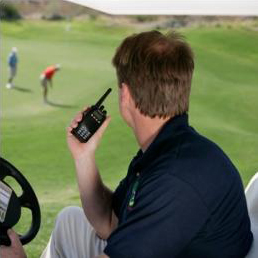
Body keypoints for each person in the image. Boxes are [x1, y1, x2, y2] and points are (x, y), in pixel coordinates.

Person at [0, 31, 253, 258]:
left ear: (126, 95)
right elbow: (108, 222)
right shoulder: (164, 150)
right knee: (69, 221)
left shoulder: (176, 180)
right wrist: (83, 156)